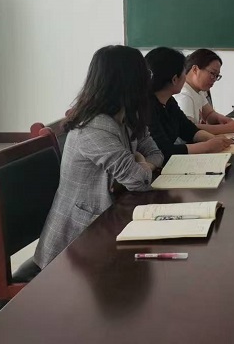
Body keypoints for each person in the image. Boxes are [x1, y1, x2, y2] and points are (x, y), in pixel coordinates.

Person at [34, 45, 164, 268]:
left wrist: (144, 163)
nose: (149, 80)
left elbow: (156, 153)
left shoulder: (128, 116)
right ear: (130, 80)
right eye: (146, 73)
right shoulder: (93, 127)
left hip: (109, 221)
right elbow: (137, 181)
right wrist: (141, 166)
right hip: (77, 244)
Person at [145, 47, 233, 162]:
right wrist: (207, 146)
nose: (186, 76)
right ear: (174, 79)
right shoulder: (146, 108)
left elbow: (189, 129)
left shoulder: (169, 101)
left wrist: (214, 140)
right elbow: (164, 151)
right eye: (184, 72)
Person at [175, 48, 234, 133]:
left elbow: (209, 115)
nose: (214, 79)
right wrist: (228, 128)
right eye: (212, 73)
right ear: (195, 69)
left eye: (217, 76)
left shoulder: (197, 90)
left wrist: (226, 120)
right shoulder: (184, 95)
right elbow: (188, 129)